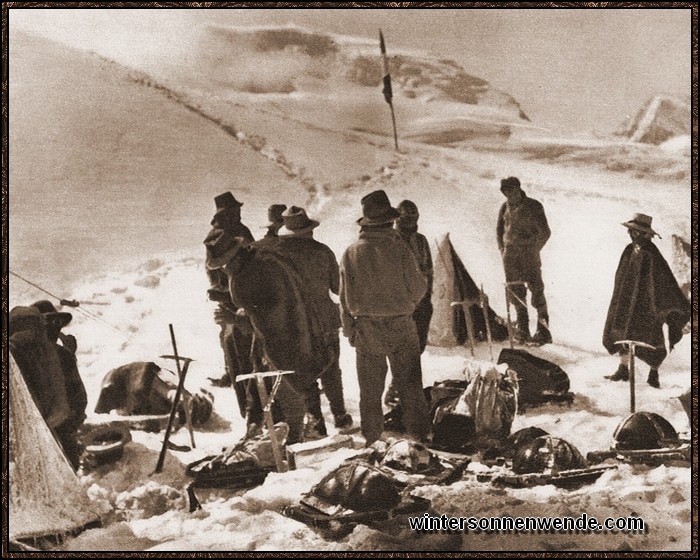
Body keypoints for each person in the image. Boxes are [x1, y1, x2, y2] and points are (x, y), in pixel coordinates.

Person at [340, 190, 431, 446]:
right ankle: (420, 438)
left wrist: (350, 331)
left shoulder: (351, 253)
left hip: (367, 329)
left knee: (370, 391)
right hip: (401, 325)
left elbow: (344, 299)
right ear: (389, 221)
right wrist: (405, 306)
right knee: (410, 387)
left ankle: (372, 441)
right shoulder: (400, 249)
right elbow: (418, 288)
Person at [275, 206, 353, 439]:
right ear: (308, 230)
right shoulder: (323, 251)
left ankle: (316, 420)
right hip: (326, 320)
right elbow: (337, 287)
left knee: (305, 371)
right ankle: (339, 415)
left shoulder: (278, 256)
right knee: (331, 369)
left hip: (296, 324)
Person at [603, 213, 690, 388]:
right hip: (626, 302)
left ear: (644, 234)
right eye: (630, 230)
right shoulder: (629, 249)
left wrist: (662, 306)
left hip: (646, 305)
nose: (630, 233)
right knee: (621, 333)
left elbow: (663, 280)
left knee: (650, 338)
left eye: (634, 231)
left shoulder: (651, 253)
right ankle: (623, 369)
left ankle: (653, 374)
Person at [204, 192, 259, 420]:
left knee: (241, 349)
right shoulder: (226, 235)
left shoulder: (234, 232)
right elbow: (213, 269)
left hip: (239, 299)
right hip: (233, 300)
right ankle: (252, 411)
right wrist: (223, 290)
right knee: (239, 349)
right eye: (235, 210)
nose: (239, 212)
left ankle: (252, 410)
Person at [9, 306, 79, 468]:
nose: (56, 327)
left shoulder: (12, 352)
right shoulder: (60, 353)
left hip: (26, 440)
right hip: (58, 434)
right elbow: (77, 398)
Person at [384, 199, 433, 408]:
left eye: (413, 216)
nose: (410, 220)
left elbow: (429, 270)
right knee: (401, 348)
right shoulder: (390, 240)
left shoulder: (421, 240)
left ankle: (401, 387)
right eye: (406, 217)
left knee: (417, 348)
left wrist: (426, 297)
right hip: (400, 304)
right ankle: (396, 389)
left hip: (421, 304)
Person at [31, 300, 88, 468]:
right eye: (51, 322)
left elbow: (77, 395)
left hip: (54, 431)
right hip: (49, 432)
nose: (56, 327)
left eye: (58, 323)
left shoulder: (62, 354)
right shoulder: (59, 354)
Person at [497, 176, 552, 345]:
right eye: (507, 192)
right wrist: (503, 249)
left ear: (519, 189)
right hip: (510, 257)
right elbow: (499, 231)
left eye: (513, 190)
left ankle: (543, 332)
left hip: (529, 255)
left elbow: (545, 232)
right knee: (515, 292)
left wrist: (533, 249)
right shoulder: (504, 207)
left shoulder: (534, 206)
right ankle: (523, 330)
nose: (511, 195)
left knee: (537, 292)